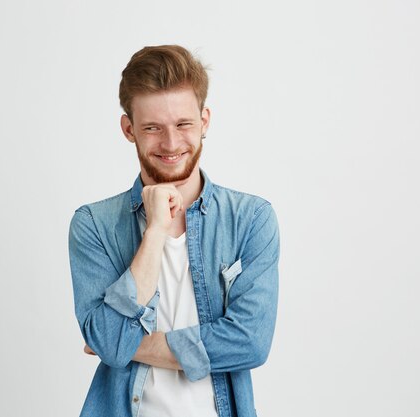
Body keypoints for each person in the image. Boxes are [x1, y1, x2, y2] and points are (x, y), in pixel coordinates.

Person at [68, 45, 280, 417]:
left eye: (183, 124)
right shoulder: (94, 225)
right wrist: (154, 233)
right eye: (152, 128)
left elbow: (250, 343)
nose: (170, 144)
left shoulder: (251, 219)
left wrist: (130, 344)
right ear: (129, 129)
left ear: (205, 121)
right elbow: (108, 342)